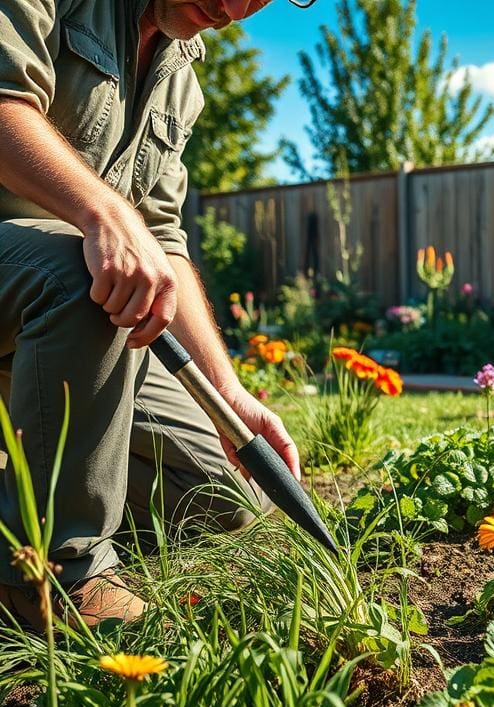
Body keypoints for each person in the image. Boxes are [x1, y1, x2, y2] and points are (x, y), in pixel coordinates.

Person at [0, 0, 313, 628]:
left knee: (222, 496)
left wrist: (230, 399)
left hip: (67, 311)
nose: (232, 8)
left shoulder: (179, 73)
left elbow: (163, 238)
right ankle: (57, 575)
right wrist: (103, 211)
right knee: (82, 281)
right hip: (49, 284)